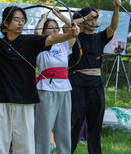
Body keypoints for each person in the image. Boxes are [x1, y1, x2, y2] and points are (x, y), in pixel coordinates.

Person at [0, 6, 79, 154]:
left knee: (25, 146)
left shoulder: (30, 41)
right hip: (0, 100)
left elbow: (52, 38)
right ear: (6, 23)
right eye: (16, 20)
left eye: (23, 20)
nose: (21, 23)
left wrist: (70, 34)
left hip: (25, 101)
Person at [34, 8, 91, 154]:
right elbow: (37, 33)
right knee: (44, 128)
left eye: (56, 28)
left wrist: (60, 16)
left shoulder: (64, 44)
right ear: (44, 31)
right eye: (50, 28)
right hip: (46, 89)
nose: (54, 31)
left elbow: (72, 28)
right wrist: (43, 17)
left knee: (64, 127)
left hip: (64, 89)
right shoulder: (40, 45)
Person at [69, 0, 121, 154]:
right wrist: (85, 17)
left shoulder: (99, 37)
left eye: (96, 18)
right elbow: (70, 25)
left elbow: (113, 26)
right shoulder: (73, 36)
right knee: (75, 123)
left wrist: (116, 8)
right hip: (78, 83)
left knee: (95, 125)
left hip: (96, 84)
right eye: (91, 18)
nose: (94, 21)